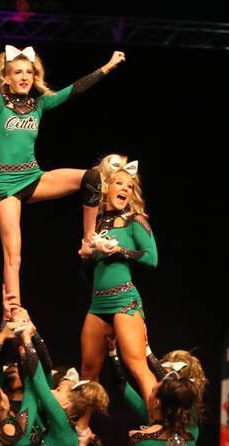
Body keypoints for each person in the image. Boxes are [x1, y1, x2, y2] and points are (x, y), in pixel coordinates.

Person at [0, 35, 124, 300]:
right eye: (18, 72)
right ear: (7, 78)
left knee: (93, 176)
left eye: (29, 71)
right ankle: (15, 310)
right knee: (13, 255)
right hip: (7, 185)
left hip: (34, 177)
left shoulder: (39, 105)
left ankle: (89, 240)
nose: (25, 76)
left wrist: (108, 67)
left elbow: (74, 89)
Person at [79, 154, 159, 411]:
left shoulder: (135, 221)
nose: (125, 189)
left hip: (125, 300)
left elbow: (152, 259)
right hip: (97, 304)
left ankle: (157, 426)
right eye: (119, 183)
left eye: (129, 186)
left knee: (136, 365)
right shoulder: (95, 225)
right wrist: (86, 258)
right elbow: (87, 276)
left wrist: (120, 252)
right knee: (88, 373)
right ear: (106, 188)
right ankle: (79, 433)